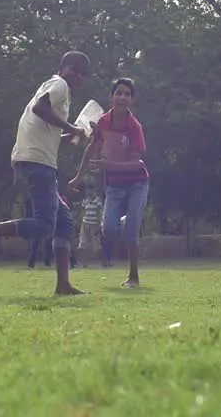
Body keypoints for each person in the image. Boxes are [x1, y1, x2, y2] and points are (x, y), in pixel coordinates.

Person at [0, 51, 91, 296]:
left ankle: (63, 285)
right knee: (44, 224)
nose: (78, 75)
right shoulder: (58, 84)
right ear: (61, 67)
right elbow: (40, 109)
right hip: (38, 162)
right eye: (74, 69)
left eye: (82, 73)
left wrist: (68, 134)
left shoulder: (56, 89)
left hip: (36, 159)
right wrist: (72, 127)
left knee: (64, 222)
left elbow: (44, 126)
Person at [73, 77, 150, 289]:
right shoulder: (103, 122)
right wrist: (79, 176)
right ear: (111, 97)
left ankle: (133, 276)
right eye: (119, 93)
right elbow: (91, 149)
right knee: (107, 229)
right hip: (115, 186)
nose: (122, 97)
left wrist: (108, 165)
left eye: (127, 94)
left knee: (132, 233)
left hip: (137, 183)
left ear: (132, 100)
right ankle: (122, 223)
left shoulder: (135, 127)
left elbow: (137, 164)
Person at [78, 187, 103, 261]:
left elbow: (99, 213)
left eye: (91, 190)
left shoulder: (97, 201)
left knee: (96, 244)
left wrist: (99, 225)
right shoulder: (85, 200)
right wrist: (80, 222)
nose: (89, 192)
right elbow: (82, 211)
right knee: (83, 243)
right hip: (85, 223)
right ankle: (83, 261)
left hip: (94, 224)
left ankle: (103, 261)